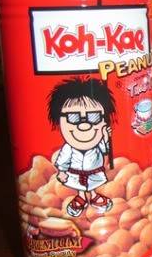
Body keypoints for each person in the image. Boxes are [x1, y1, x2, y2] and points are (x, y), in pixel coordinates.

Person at [48, 78, 116, 218]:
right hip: (75, 174)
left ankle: (93, 196)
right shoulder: (68, 148)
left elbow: (105, 151)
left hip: (94, 173)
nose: (84, 125)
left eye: (94, 117)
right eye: (73, 117)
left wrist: (105, 137)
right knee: (80, 187)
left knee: (92, 185)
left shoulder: (98, 143)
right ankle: (81, 197)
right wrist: (62, 172)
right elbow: (63, 160)